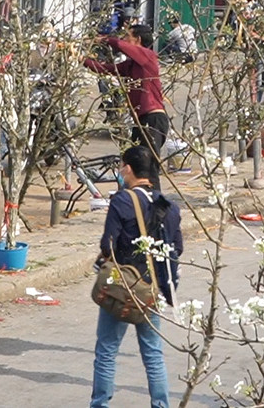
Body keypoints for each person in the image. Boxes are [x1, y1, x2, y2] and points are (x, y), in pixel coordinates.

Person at [90, 147, 182, 408]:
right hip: (151, 290)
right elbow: (177, 248)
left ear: (128, 168)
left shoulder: (122, 201)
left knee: (107, 351)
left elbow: (108, 245)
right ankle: (161, 405)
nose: (120, 171)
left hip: (122, 287)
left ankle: (100, 404)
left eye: (121, 166)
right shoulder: (169, 206)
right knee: (153, 355)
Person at [85, 25, 169, 190]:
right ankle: (137, 201)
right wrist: (82, 59)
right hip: (141, 120)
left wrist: (104, 40)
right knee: (135, 164)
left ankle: (154, 207)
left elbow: (121, 46)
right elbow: (105, 70)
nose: (124, 39)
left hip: (153, 119)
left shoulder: (148, 56)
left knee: (148, 166)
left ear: (137, 40)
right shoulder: (131, 65)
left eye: (127, 36)